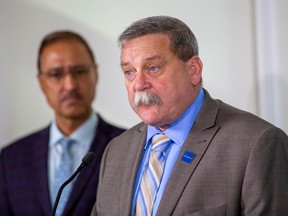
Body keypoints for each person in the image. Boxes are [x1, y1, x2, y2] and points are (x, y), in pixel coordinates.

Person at [91, 16, 288, 216]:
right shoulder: (116, 151)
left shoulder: (256, 143)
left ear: (193, 70)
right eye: (129, 72)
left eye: (153, 68)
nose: (139, 84)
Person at [0, 30, 125, 216]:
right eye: (56, 74)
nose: (70, 85)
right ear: (42, 83)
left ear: (95, 74)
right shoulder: (10, 159)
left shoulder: (128, 147)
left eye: (79, 71)